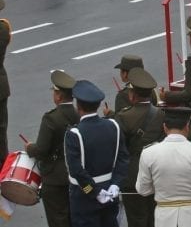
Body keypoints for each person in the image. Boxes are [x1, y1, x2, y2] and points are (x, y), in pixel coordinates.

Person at [64, 80, 130, 227]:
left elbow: (76, 170)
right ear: (99, 105)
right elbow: (123, 159)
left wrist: (94, 192)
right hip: (110, 191)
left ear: (78, 106)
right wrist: (116, 184)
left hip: (84, 196)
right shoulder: (113, 125)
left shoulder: (74, 134)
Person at [136, 106, 191, 227]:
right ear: (187, 126)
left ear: (164, 127)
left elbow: (143, 190)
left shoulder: (148, 152)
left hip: (164, 217)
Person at [25, 70, 79, 227]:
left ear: (59, 96)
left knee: (58, 220)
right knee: (74, 217)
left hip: (54, 178)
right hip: (75, 175)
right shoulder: (78, 114)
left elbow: (41, 150)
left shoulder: (51, 118)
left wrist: (30, 148)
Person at [114, 68, 166, 227]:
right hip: (156, 173)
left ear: (132, 95)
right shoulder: (161, 114)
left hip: (132, 175)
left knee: (136, 219)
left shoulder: (123, 116)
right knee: (155, 218)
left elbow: (119, 148)